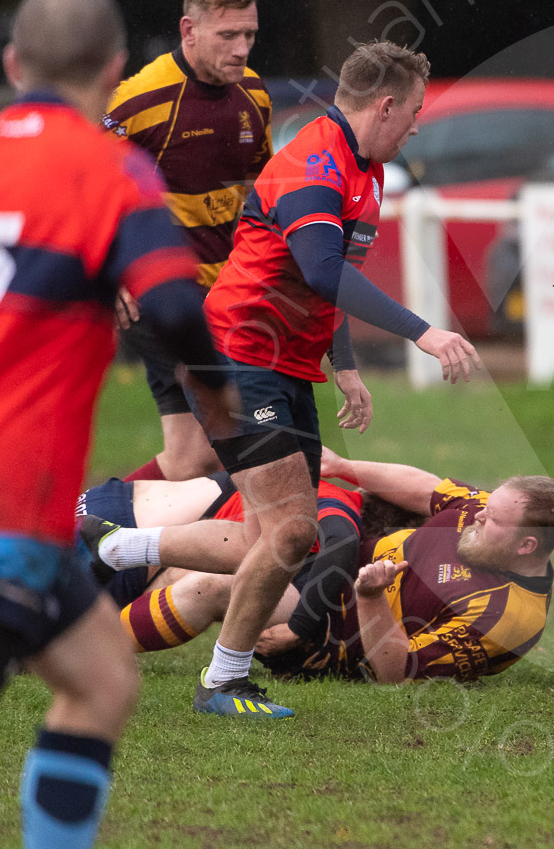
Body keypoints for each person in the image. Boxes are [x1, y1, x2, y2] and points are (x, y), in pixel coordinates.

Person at [0, 0, 233, 848]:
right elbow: (174, 309)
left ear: (13, 62)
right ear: (115, 70)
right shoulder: (112, 169)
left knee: (103, 680)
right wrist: (219, 404)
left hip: (10, 505)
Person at [193, 39, 481, 718]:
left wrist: (344, 365)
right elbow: (324, 271)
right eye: (412, 112)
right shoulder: (315, 165)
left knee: (273, 535)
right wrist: (425, 331)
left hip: (283, 364)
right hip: (238, 357)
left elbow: (326, 280)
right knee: (294, 533)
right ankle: (222, 678)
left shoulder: (367, 167)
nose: (416, 125)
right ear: (384, 106)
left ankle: (127, 551)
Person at [76, 447, 554, 685]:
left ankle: (77, 650)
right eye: (485, 508)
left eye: (492, 520)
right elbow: (423, 487)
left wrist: (372, 597)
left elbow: (395, 673)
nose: (478, 514)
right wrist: (345, 469)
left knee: (210, 587)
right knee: (272, 527)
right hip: (338, 564)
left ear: (527, 545)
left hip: (336, 628)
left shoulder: (506, 617)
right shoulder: (483, 513)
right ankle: (120, 554)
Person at [102, 0, 283, 483]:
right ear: (190, 29)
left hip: (230, 297)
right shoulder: (138, 100)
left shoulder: (254, 96)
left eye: (249, 33)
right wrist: (114, 272)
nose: (242, 48)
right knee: (207, 452)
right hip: (162, 295)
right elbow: (84, 185)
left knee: (203, 457)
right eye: (228, 35)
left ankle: (123, 542)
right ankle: (94, 530)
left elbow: (259, 189)